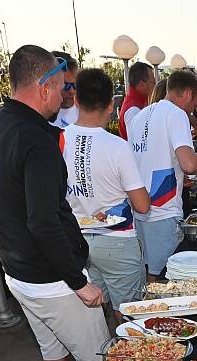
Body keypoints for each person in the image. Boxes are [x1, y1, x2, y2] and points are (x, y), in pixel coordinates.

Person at [0, 45, 106, 361]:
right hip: (54, 281)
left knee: (53, 356)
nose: (66, 93)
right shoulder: (38, 139)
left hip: (18, 276)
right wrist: (79, 284)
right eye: (63, 85)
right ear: (44, 84)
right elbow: (43, 222)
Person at [61, 68, 151, 310]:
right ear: (111, 105)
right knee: (129, 313)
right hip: (117, 240)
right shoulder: (118, 147)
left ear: (76, 100)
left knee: (96, 309)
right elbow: (142, 205)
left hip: (75, 239)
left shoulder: (57, 140)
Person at [127, 69, 197, 278]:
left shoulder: (140, 116)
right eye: (195, 102)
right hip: (163, 208)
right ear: (188, 94)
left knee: (146, 273)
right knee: (163, 278)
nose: (194, 107)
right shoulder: (176, 114)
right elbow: (188, 163)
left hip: (139, 206)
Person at [118, 61, 155, 140]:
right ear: (142, 84)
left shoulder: (135, 103)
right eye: (152, 83)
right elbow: (138, 141)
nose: (154, 86)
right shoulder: (133, 109)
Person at [49, 51, 79, 128]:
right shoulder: (35, 117)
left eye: (75, 85)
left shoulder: (86, 114)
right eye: (65, 85)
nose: (72, 91)